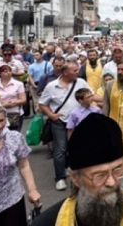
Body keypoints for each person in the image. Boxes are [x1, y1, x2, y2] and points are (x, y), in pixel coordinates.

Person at [32, 113, 123, 226]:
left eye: (117, 170)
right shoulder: (47, 223)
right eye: (100, 175)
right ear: (76, 179)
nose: (112, 182)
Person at [39, 62, 93, 191]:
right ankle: (60, 178)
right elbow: (42, 104)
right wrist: (51, 115)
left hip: (79, 122)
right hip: (60, 122)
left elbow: (91, 96)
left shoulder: (81, 82)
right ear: (65, 72)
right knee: (60, 150)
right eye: (75, 70)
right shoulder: (51, 86)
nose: (78, 72)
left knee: (78, 147)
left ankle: (80, 174)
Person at [0, 98, 41, 226]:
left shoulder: (14, 138)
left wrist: (32, 190)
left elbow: (24, 165)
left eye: (1, 120)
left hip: (13, 199)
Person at [0, 64, 26, 131]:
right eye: (5, 71)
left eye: (10, 71)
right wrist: (4, 104)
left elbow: (23, 100)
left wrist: (13, 102)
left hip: (15, 113)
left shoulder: (18, 84)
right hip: (0, 115)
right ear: (0, 74)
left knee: (15, 133)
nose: (8, 73)